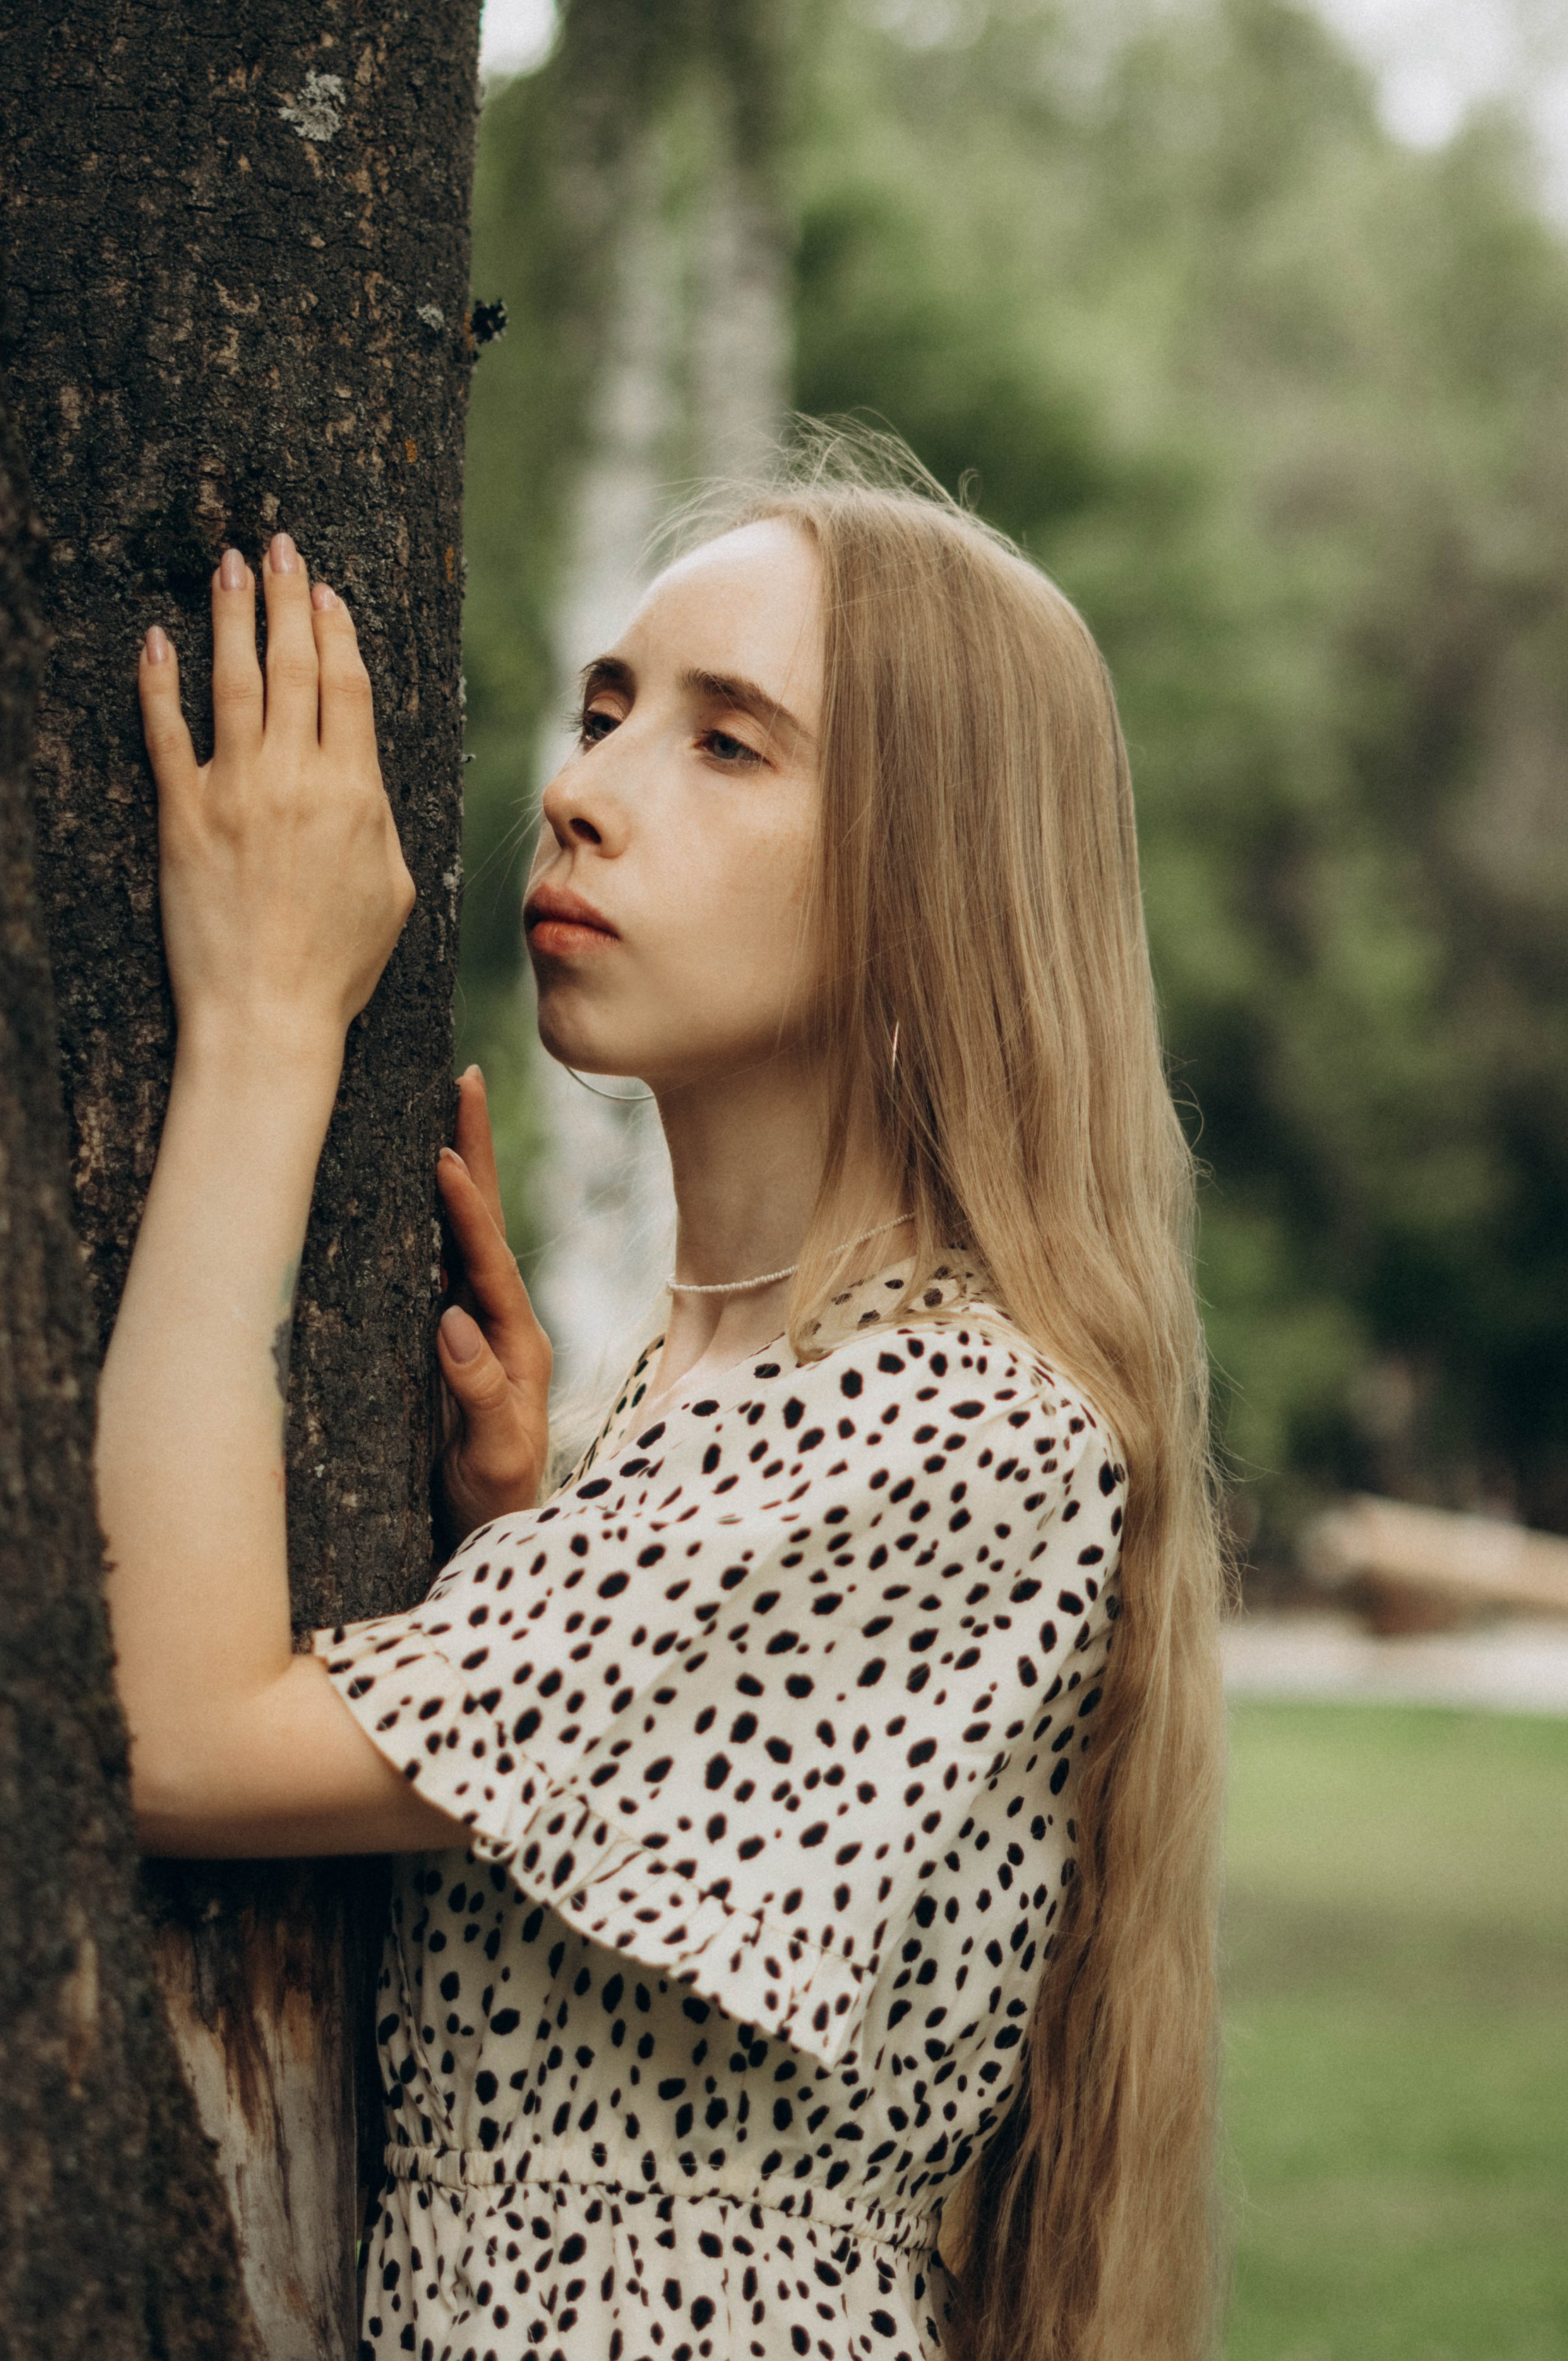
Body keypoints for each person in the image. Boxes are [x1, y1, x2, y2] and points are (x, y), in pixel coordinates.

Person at [95, 445, 1226, 2361]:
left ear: (932, 889)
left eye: (727, 745)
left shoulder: (955, 1424)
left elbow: (180, 1739)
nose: (579, 792)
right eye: (607, 712)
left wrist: (269, 1026)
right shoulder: (705, 1404)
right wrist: (530, 1561)